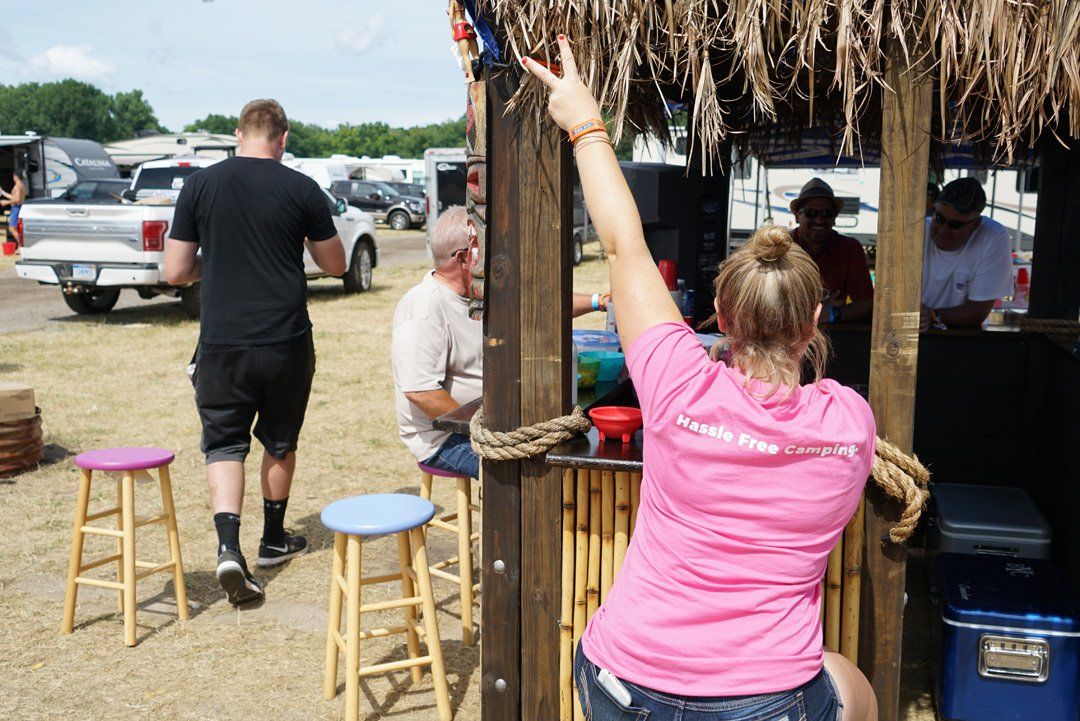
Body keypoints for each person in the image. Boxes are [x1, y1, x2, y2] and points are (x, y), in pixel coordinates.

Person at [525, 36, 878, 721]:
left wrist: (585, 124)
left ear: (718, 315)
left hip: (624, 683)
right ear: (814, 319)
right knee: (850, 683)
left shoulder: (677, 383)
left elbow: (626, 247)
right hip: (766, 701)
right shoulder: (849, 422)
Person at [164, 99, 346, 606]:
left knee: (224, 444)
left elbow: (175, 271)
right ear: (282, 138)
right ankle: (272, 537)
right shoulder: (302, 188)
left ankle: (228, 547)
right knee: (279, 439)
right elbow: (335, 264)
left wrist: (217, 263)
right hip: (286, 338)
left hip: (222, 342)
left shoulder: (200, 185)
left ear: (238, 135)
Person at [392, 205, 606, 480]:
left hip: (493, 420)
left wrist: (598, 301)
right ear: (464, 257)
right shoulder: (423, 308)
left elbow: (542, 305)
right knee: (538, 474)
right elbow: (420, 392)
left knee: (570, 451)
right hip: (443, 440)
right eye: (483, 248)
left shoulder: (478, 292)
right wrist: (488, 433)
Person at [920, 177, 1012, 332]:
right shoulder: (917, 232)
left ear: (976, 224)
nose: (943, 230)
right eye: (939, 218)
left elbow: (977, 312)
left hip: (962, 337)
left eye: (955, 225)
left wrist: (932, 316)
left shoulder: (994, 237)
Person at [789, 178, 874, 323]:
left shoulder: (849, 249)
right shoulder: (783, 246)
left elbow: (867, 303)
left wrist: (833, 314)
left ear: (834, 218)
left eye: (827, 213)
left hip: (833, 335)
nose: (819, 220)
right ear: (797, 216)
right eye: (811, 213)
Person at [1, 172, 26, 243]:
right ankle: (20, 245)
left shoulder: (18, 186)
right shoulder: (20, 185)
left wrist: (6, 202)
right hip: (17, 208)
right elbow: (14, 197)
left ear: (15, 176)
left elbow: (17, 200)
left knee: (11, 228)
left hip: (16, 208)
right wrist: (3, 192)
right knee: (16, 229)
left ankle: (21, 244)